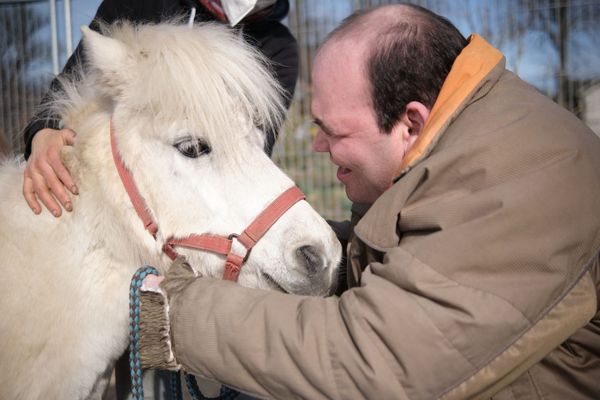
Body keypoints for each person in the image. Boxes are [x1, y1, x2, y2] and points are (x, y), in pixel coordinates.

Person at [137, 3, 600, 399]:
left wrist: (170, 312)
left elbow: (375, 363)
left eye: (333, 131)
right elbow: (414, 267)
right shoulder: (472, 142)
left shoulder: (522, 175)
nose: (317, 146)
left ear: (410, 124)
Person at [21, 0, 298, 217]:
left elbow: (250, 158)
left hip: (200, 210)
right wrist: (42, 132)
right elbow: (76, 77)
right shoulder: (146, 4)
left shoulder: (277, 47)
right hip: (114, 191)